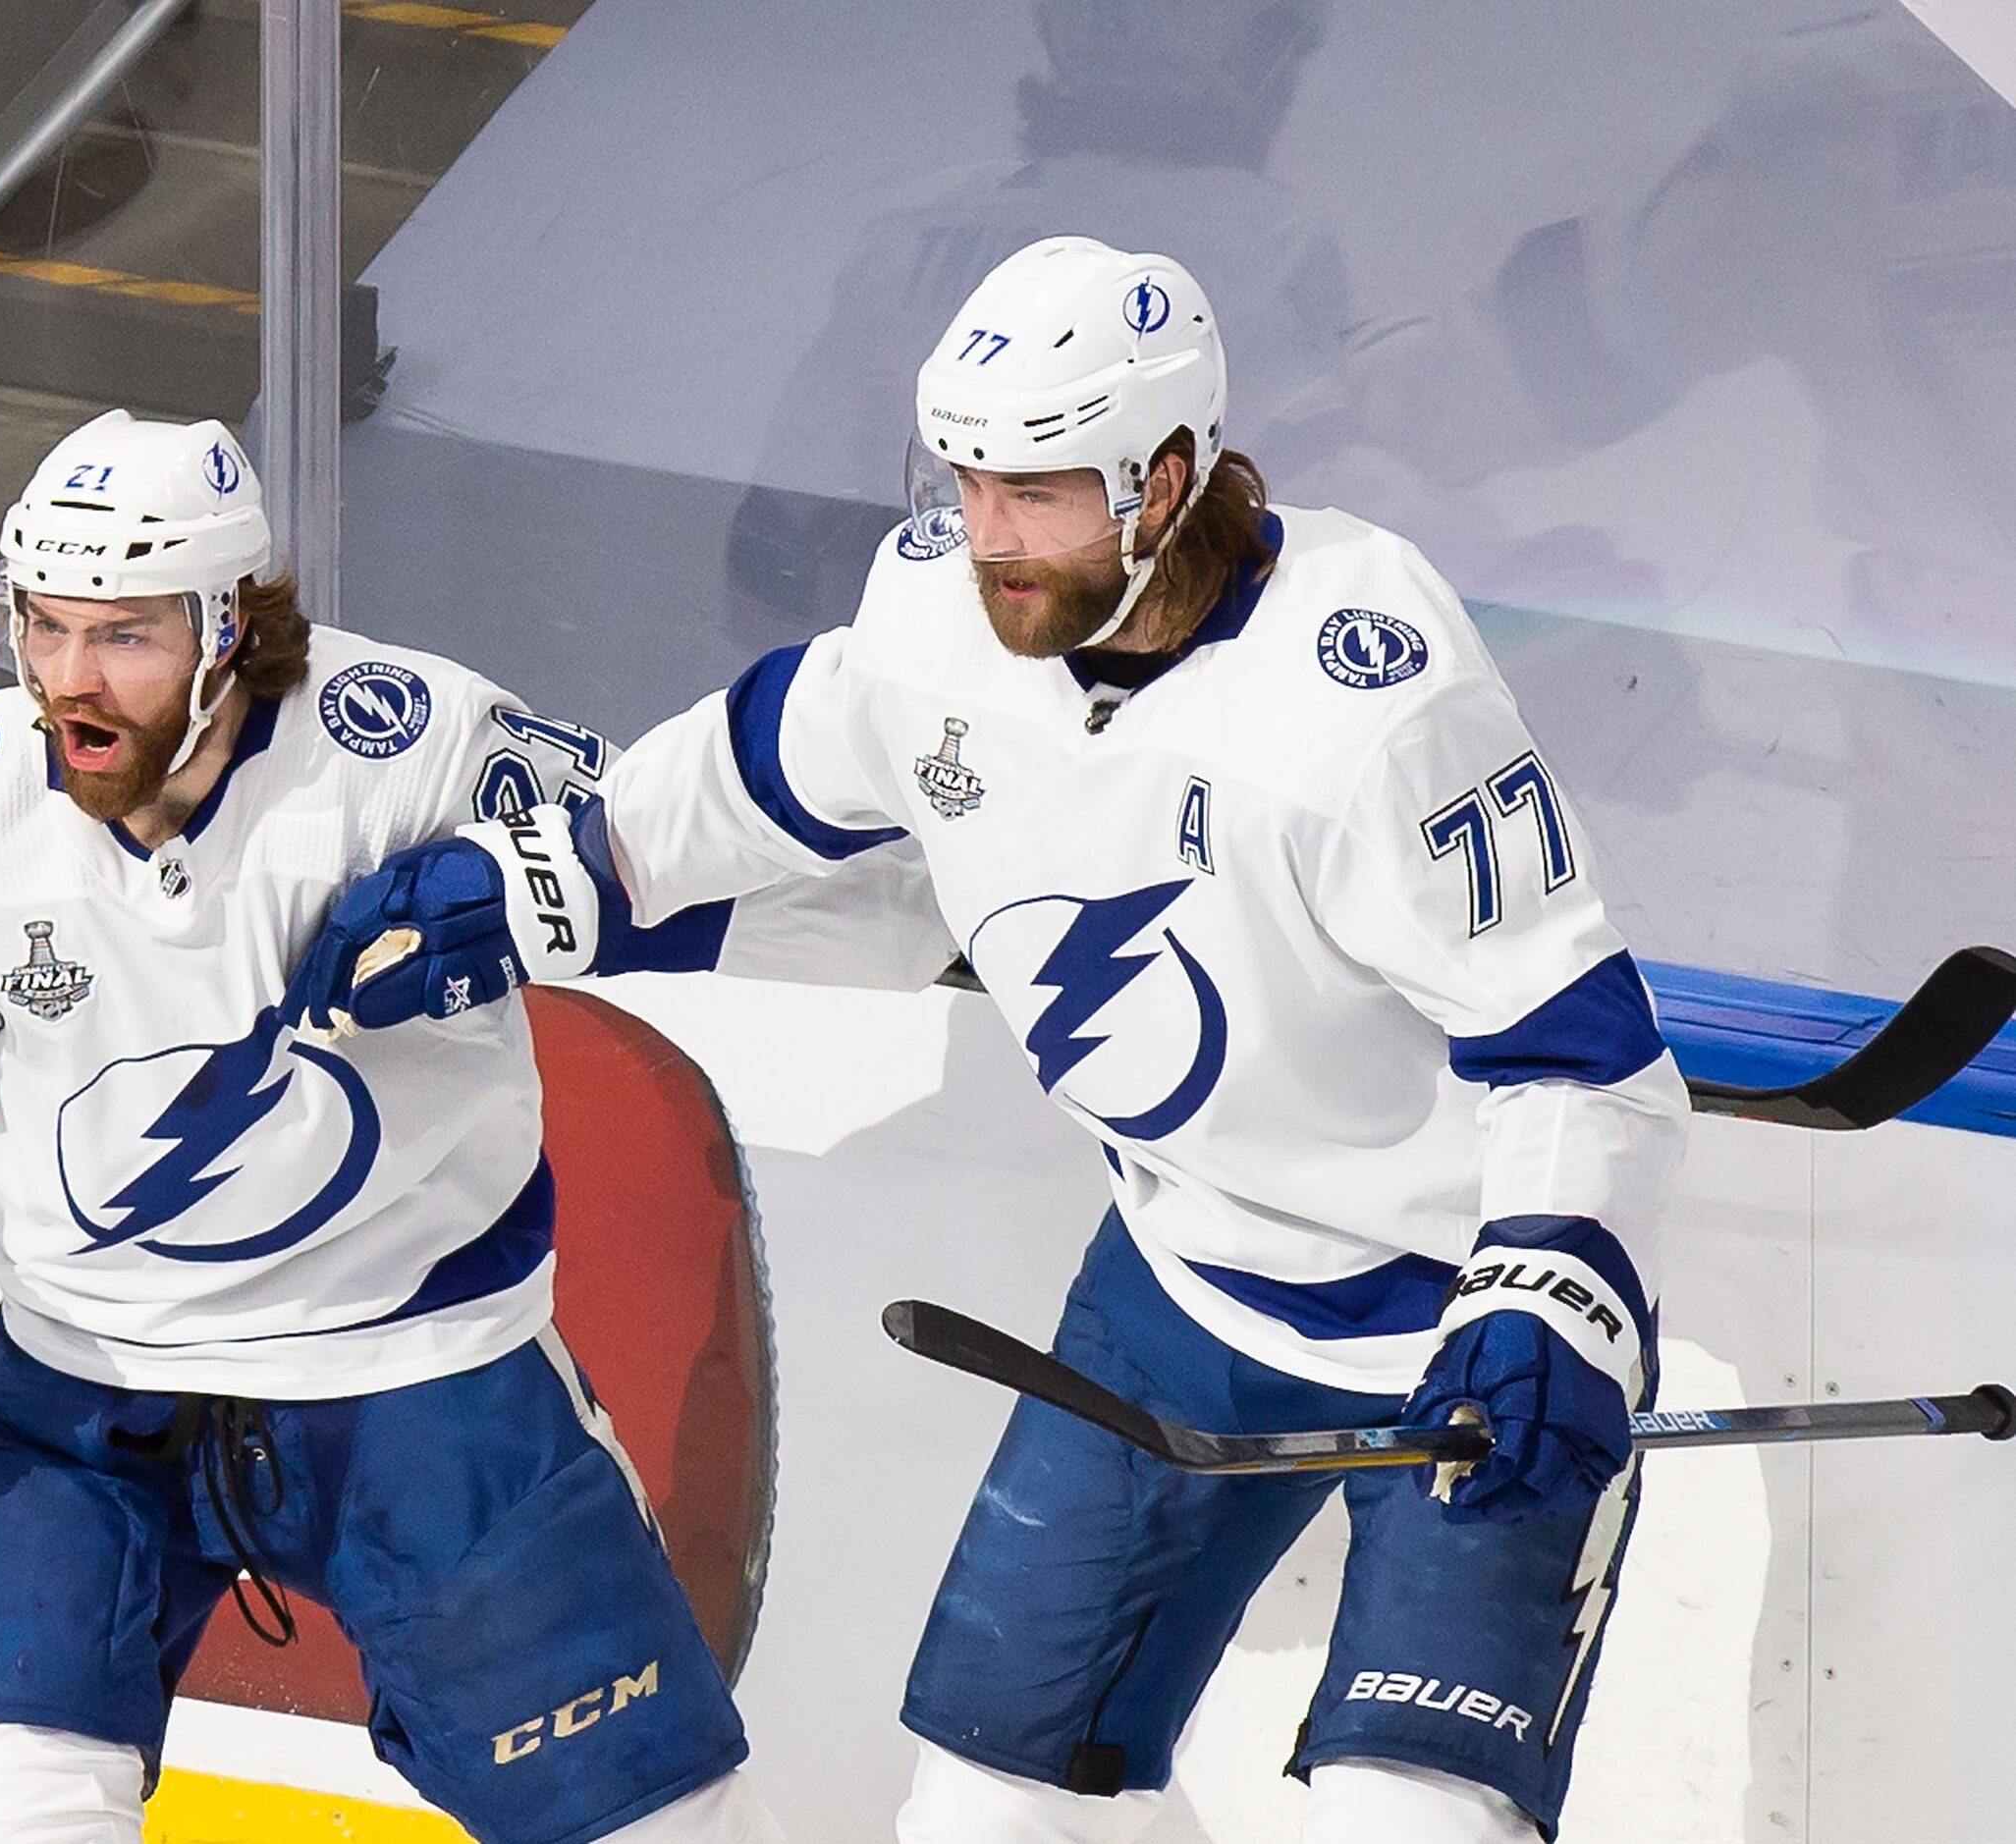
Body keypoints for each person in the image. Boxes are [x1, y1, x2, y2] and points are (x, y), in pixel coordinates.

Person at [286, 238, 1692, 1843]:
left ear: (1165, 475)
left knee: (1407, 1821)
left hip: (1457, 1311)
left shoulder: (1366, 695)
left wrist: (1554, 1295)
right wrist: (534, 877)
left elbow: (1588, 1062)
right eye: (964, 482)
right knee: (982, 1811)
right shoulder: (937, 626)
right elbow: (735, 789)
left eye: (1037, 492)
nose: (986, 536)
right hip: (1181, 1279)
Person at [0, 408, 828, 1844]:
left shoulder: (410, 751)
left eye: (120, 634)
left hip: (418, 1379)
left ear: (230, 624)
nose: (67, 680)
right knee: (6, 1810)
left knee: (656, 1824)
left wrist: (541, 893)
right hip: (79, 1401)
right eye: (38, 628)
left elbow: (683, 861)